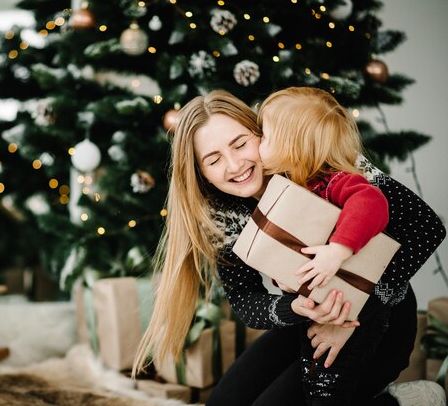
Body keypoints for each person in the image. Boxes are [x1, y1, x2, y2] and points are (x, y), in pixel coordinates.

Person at [132, 89, 446, 406]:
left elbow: (426, 228)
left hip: (382, 316)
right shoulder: (221, 214)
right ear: (201, 172)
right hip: (309, 317)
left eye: (240, 144)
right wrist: (295, 308)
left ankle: (411, 402)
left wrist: (353, 316)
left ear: (261, 133)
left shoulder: (313, 158)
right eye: (213, 160)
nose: (234, 164)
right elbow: (244, 300)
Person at [255, 87, 390, 405]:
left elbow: (371, 203)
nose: (257, 142)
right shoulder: (291, 189)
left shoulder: (334, 181)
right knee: (312, 387)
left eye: (264, 135)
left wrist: (337, 251)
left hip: (355, 315)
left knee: (332, 391)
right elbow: (293, 248)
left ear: (292, 146)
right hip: (317, 312)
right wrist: (284, 279)